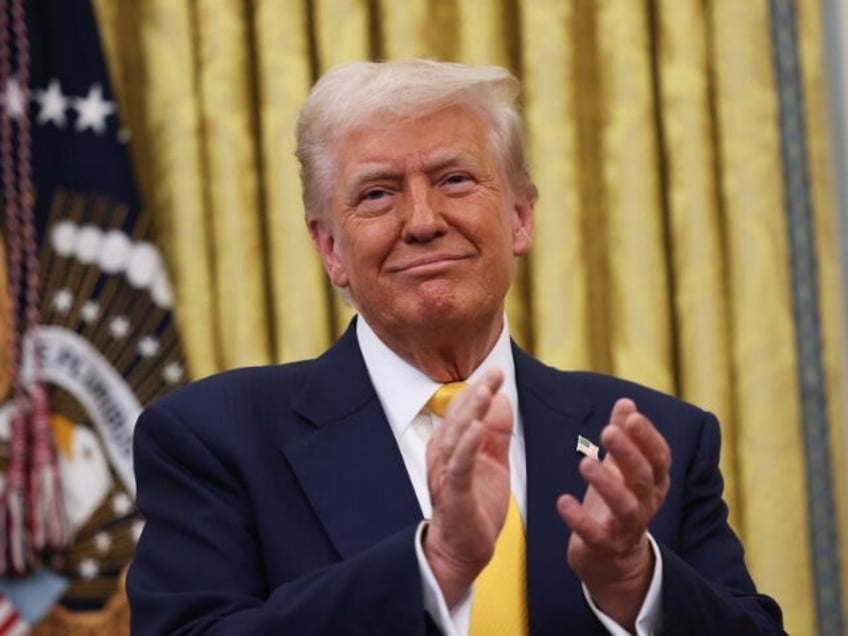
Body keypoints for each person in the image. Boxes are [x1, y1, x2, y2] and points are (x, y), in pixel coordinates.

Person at [126, 59, 785, 635]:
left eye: (455, 180)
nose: (422, 222)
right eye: (378, 194)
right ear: (331, 248)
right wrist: (432, 565)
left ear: (521, 217)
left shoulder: (653, 439)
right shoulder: (216, 438)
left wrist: (633, 580)